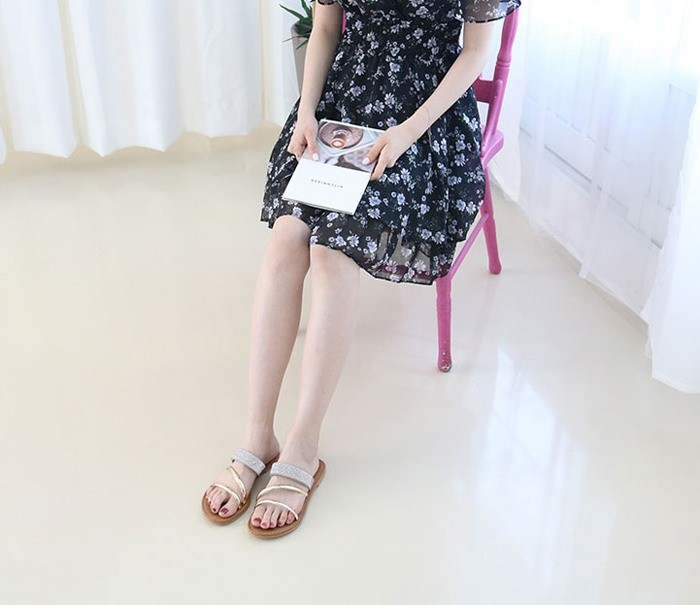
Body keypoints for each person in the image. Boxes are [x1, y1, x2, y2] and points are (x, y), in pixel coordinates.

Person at [202, 0, 521, 538]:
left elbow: (474, 54)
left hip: (425, 116)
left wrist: (407, 133)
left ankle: (303, 444)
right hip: (345, 101)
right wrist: (307, 112)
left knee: (332, 249)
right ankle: (258, 436)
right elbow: (326, 26)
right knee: (287, 239)